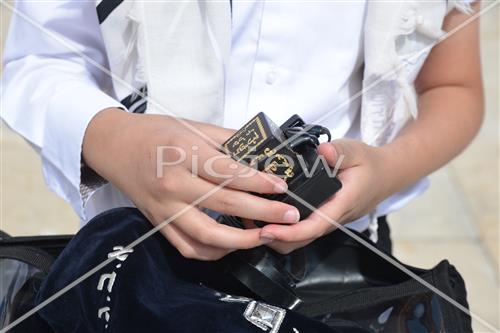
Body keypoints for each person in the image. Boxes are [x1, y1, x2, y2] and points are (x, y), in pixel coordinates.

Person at [2, 1, 483, 261]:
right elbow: (38, 60)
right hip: (140, 254)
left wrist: (385, 169)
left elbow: (453, 85)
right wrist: (116, 139)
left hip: (342, 259)